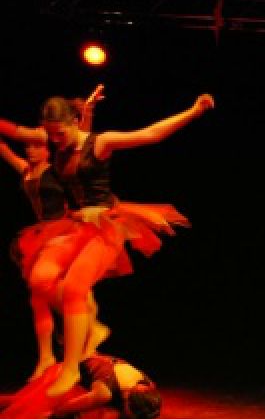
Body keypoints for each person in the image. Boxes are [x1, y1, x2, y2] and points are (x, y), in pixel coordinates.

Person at [0, 92, 214, 396]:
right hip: (73, 224)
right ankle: (89, 322)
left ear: (75, 122)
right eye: (49, 134)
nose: (54, 141)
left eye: (59, 134)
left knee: (74, 287)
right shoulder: (53, 139)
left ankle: (72, 366)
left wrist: (193, 111)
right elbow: (13, 131)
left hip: (104, 226)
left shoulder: (101, 143)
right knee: (39, 278)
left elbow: (150, 134)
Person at [0, 85, 109, 380]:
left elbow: (82, 144)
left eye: (37, 145)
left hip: (64, 229)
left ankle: (89, 325)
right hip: (39, 234)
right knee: (38, 294)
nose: (31, 150)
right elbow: (5, 148)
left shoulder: (56, 167)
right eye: (28, 146)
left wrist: (88, 112)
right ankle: (46, 355)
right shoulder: (25, 170)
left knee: (61, 285)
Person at [0, 352, 162, 419]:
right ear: (127, 400)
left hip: (85, 379)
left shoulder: (147, 385)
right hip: (63, 377)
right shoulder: (104, 393)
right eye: (131, 415)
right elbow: (62, 410)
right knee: (23, 406)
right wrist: (52, 415)